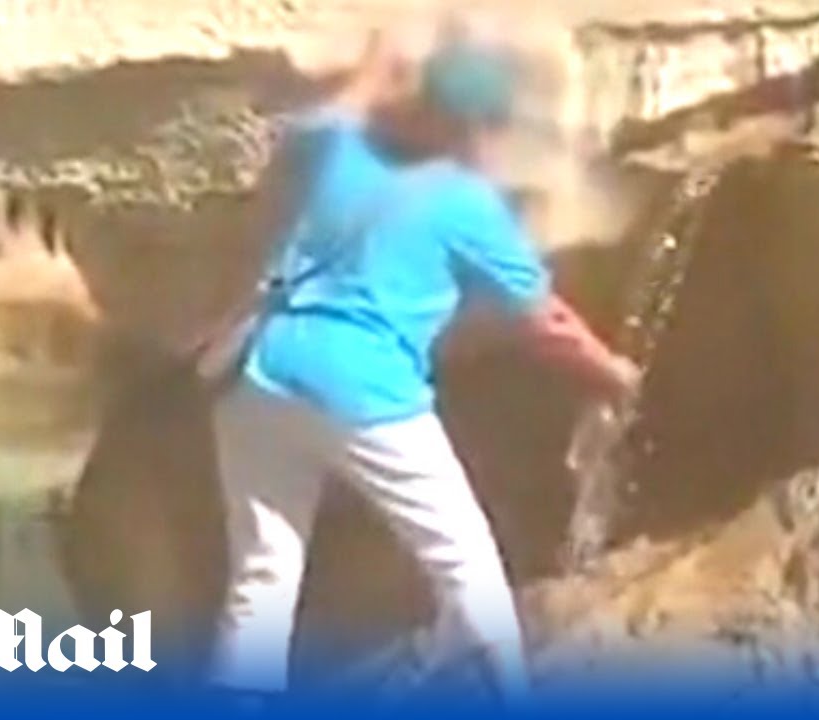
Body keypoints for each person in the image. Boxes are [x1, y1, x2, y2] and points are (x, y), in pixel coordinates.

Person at [207, 26, 641, 706]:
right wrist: (612, 372)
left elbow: (337, 109)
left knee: (264, 570)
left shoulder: (339, 151)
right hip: (363, 388)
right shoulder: (465, 204)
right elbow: (546, 321)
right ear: (476, 127)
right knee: (466, 563)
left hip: (261, 373)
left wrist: (378, 57)